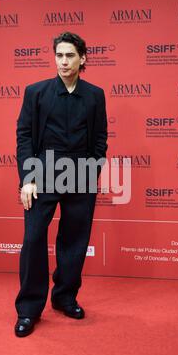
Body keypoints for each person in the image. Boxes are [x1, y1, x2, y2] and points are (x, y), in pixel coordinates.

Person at [14, 31, 108, 337]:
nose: (63, 61)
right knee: (33, 239)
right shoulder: (36, 92)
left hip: (80, 171)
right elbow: (25, 136)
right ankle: (29, 309)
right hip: (42, 172)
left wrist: (91, 171)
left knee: (75, 240)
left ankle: (65, 298)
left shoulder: (95, 95)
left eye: (70, 55)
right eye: (59, 55)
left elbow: (100, 139)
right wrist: (27, 179)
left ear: (83, 59)